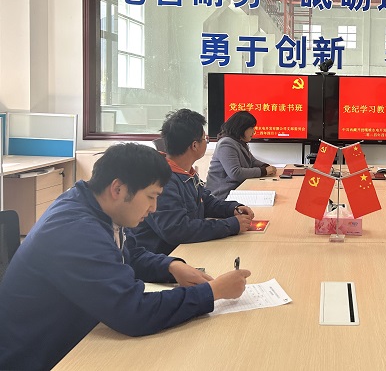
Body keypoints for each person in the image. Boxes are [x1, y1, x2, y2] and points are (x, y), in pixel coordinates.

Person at [0, 143, 251, 371]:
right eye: (151, 196)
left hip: (76, 333)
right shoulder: (77, 230)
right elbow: (133, 312)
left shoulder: (97, 207)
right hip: (41, 357)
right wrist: (212, 292)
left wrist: (170, 266)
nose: (153, 208)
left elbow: (128, 255)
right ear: (118, 189)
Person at [128, 109, 254, 255]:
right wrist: (231, 225)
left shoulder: (186, 172)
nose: (206, 142)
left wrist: (233, 208)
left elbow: (206, 202)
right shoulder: (161, 180)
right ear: (194, 146)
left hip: (188, 249)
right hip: (166, 257)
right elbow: (176, 229)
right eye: (205, 139)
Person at [206, 110, 277, 198]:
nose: (254, 132)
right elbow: (235, 173)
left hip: (238, 189)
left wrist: (266, 166)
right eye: (252, 128)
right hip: (223, 195)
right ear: (242, 128)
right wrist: (264, 171)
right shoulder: (226, 144)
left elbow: (252, 161)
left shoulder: (239, 142)